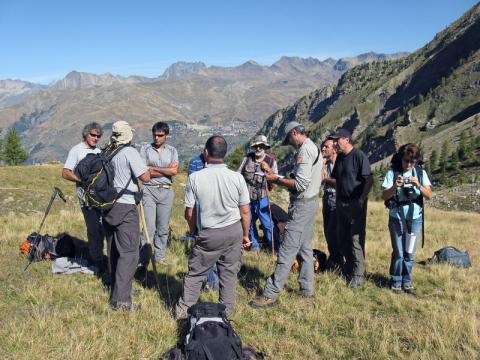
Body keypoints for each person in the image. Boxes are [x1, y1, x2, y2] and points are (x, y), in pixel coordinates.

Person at [175, 136, 250, 318]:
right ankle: (226, 315)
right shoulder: (237, 178)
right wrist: (245, 235)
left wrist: (194, 231)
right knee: (229, 274)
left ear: (206, 153)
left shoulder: (195, 178)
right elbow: (245, 212)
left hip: (208, 233)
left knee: (196, 275)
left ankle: (185, 313)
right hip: (233, 231)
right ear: (225, 153)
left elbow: (189, 213)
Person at [250, 121, 322, 308]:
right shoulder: (314, 147)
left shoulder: (305, 151)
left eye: (289, 139)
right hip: (311, 203)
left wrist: (276, 179)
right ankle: (307, 289)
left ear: (295, 133)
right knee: (305, 249)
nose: (289, 143)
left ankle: (270, 294)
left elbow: (299, 184)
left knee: (287, 250)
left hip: (301, 206)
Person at [102, 121, 150, 311]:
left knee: (114, 250)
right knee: (129, 253)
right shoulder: (129, 152)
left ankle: (120, 288)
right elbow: (144, 177)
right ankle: (121, 301)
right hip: (126, 206)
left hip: (108, 205)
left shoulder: (107, 151)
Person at [382, 143, 432, 294]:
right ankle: (396, 280)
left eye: (412, 162)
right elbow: (384, 196)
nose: (409, 164)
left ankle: (407, 280)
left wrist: (418, 185)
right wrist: (395, 187)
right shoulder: (393, 173)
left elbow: (429, 195)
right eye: (406, 161)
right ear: (400, 159)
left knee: (409, 252)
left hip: (415, 218)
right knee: (398, 252)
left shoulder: (420, 173)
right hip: (397, 218)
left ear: (416, 161)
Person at [330, 129, 372, 288]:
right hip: (341, 203)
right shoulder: (340, 157)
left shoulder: (359, 156)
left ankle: (358, 274)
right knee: (343, 237)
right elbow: (336, 178)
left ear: (346, 139)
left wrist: (361, 200)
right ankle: (349, 268)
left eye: (337, 140)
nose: (335, 143)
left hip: (356, 204)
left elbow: (369, 179)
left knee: (356, 240)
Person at [62, 122, 106, 271]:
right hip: (86, 199)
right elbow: (65, 172)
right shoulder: (77, 150)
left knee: (103, 229)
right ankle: (96, 260)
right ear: (85, 134)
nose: (95, 138)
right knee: (93, 229)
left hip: (101, 197)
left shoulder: (99, 151)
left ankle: (101, 256)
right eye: (93, 135)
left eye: (98, 136)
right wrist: (82, 181)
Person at [139, 122, 179, 266]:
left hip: (166, 191)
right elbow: (144, 172)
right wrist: (165, 170)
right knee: (148, 227)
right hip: (149, 189)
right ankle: (143, 258)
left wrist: (152, 168)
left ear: (166, 136)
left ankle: (159, 256)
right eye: (155, 135)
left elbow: (174, 171)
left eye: (160, 135)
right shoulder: (145, 149)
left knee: (163, 227)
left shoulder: (172, 151)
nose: (157, 138)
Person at [238, 135, 278, 252]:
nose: (258, 149)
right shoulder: (246, 159)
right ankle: (254, 246)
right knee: (248, 222)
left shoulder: (271, 161)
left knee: (267, 223)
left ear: (265, 147)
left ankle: (275, 247)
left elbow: (274, 184)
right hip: (247, 196)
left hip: (263, 196)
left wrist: (269, 171)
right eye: (256, 146)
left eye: (261, 146)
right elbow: (238, 174)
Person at [186, 151, 219, 291]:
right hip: (201, 212)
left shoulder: (218, 162)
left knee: (213, 248)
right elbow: (192, 187)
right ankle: (210, 281)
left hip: (216, 211)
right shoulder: (195, 162)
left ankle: (213, 281)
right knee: (206, 249)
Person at [321, 138, 343, 271]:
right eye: (323, 146)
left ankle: (338, 261)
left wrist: (325, 179)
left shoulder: (340, 162)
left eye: (326, 147)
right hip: (326, 197)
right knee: (327, 231)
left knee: (334, 231)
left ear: (334, 149)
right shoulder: (325, 163)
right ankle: (334, 259)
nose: (323, 149)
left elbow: (341, 181)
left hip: (337, 198)